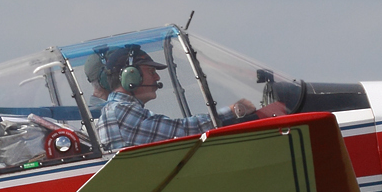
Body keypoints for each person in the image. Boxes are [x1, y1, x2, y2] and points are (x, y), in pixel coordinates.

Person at [86, 45, 258, 151]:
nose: (157, 78)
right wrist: (233, 111)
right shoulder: (121, 112)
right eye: (151, 72)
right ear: (130, 77)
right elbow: (180, 131)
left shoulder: (120, 109)